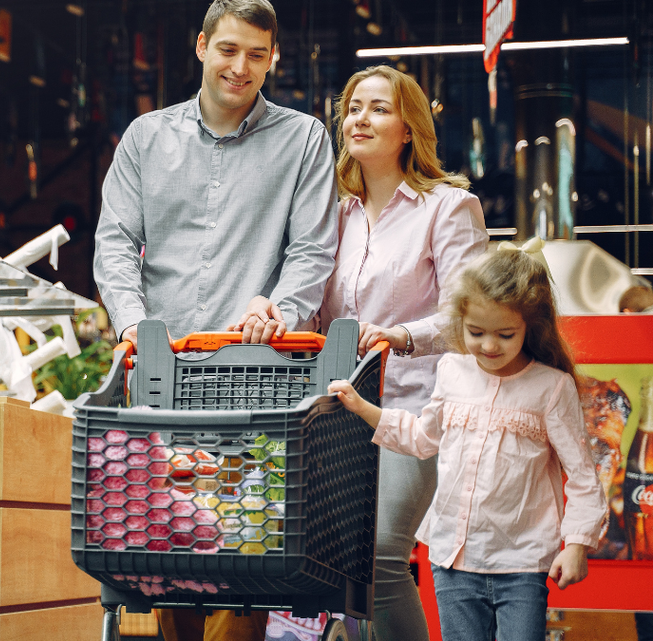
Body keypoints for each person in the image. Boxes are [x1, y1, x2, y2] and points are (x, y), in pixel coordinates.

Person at [92, 0, 339, 638]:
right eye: (229, 50)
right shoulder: (147, 138)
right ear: (201, 46)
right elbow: (115, 241)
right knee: (170, 549)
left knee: (247, 551)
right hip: (160, 379)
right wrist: (131, 326)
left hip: (256, 380)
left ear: (272, 59)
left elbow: (311, 249)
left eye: (257, 55)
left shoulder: (304, 139)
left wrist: (281, 311)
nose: (241, 67)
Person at [232, 64, 487, 639]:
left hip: (414, 408)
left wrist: (401, 336)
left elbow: (471, 316)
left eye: (378, 108)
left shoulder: (447, 208)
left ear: (408, 129)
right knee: (339, 566)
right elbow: (313, 307)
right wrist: (274, 311)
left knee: (380, 555)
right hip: (336, 412)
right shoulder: (330, 216)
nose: (360, 119)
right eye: (353, 108)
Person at [328, 247, 609, 641]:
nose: (489, 346)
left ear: (532, 325)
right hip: (453, 561)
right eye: (475, 332)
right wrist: (364, 408)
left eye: (505, 334)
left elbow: (582, 476)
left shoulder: (551, 387)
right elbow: (424, 437)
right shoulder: (452, 370)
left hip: (522, 564)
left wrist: (577, 543)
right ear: (460, 321)